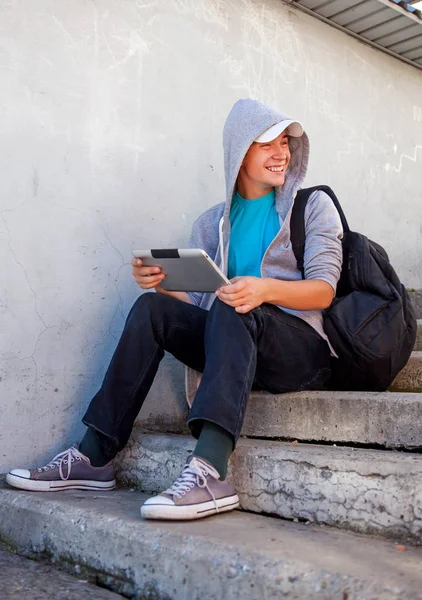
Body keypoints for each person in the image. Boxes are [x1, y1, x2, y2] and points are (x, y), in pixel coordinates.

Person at [6, 99, 343, 521]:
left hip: (299, 348)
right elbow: (204, 311)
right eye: (267, 145)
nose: (282, 153)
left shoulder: (312, 206)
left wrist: (264, 289)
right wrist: (166, 287)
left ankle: (211, 470)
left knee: (235, 303)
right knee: (153, 308)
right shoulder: (211, 223)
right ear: (239, 153)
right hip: (236, 339)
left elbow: (323, 292)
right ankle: (95, 455)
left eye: (285, 143)